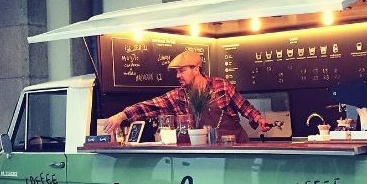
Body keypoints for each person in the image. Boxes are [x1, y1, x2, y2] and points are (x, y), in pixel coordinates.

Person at [103, 50, 271, 143]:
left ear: (196, 69)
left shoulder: (222, 86)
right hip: (204, 153)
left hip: (236, 146)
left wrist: (258, 119)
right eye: (176, 72)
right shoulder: (179, 96)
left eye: (182, 71)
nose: (178, 76)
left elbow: (244, 106)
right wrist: (122, 115)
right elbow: (150, 106)